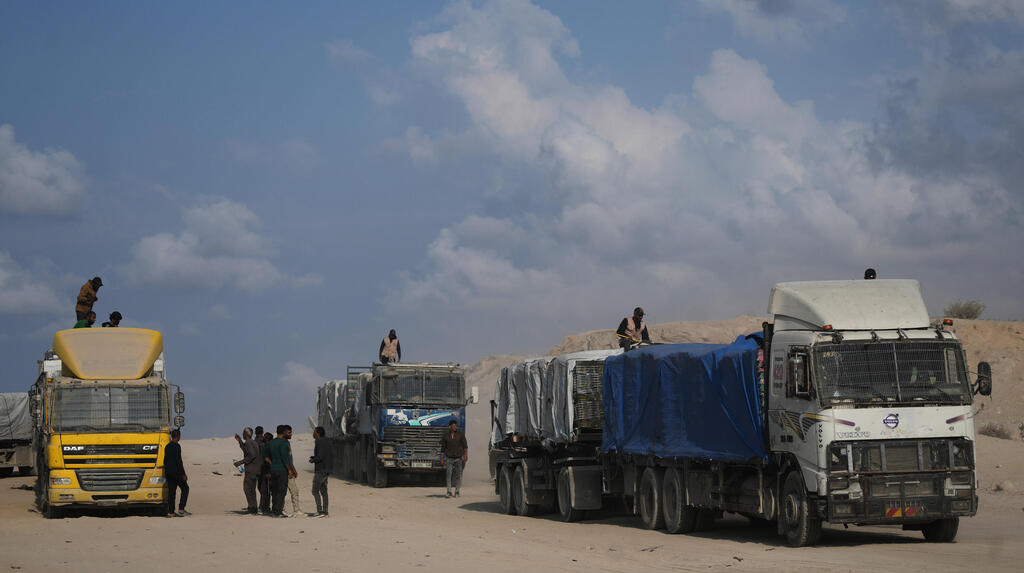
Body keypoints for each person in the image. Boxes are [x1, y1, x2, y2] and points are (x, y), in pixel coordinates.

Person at [266, 425, 296, 517]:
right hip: (282, 470)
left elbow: (265, 456)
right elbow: (285, 459)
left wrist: (272, 464)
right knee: (281, 491)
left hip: (273, 470)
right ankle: (278, 512)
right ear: (283, 432)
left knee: (274, 491)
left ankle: (274, 510)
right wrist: (290, 470)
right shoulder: (283, 443)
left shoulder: (271, 442)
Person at [234, 428, 261, 514]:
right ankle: (253, 507)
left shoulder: (249, 443)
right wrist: (240, 441)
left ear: (246, 433)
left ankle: (252, 508)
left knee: (248, 489)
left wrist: (240, 462)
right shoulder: (252, 442)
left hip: (251, 470)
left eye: (243, 433)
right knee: (251, 489)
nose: (242, 434)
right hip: (255, 469)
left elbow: (251, 455)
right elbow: (246, 451)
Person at [440, 418, 468, 498]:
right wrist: (442, 459)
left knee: (458, 475)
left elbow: (465, 446)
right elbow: (443, 448)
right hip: (449, 458)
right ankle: (449, 491)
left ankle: (457, 491)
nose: (455, 427)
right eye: (453, 426)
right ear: (450, 426)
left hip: (458, 458)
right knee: (448, 475)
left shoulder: (460, 435)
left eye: (456, 426)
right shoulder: (446, 436)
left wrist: (466, 455)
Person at [165, 429, 190, 517]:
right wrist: (183, 473)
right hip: (176, 472)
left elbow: (165, 460)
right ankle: (181, 509)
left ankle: (171, 512)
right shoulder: (177, 446)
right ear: (178, 436)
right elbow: (179, 461)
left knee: (172, 492)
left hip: (168, 472)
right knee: (185, 488)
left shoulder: (167, 446)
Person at [310, 426, 332, 517]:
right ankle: (325, 512)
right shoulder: (327, 441)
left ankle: (320, 511)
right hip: (326, 469)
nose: (313, 433)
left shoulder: (319, 441)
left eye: (314, 432)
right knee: (323, 491)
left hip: (321, 470)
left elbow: (320, 456)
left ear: (317, 433)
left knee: (315, 490)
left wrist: (313, 460)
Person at [258, 431, 272, 513]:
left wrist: (269, 472)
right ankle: (265, 507)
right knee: (265, 490)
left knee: (264, 490)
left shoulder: (268, 447)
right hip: (264, 470)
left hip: (266, 471)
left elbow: (268, 460)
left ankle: (263, 507)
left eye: (264, 436)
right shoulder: (265, 446)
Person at [287, 440, 302, 516]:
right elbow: (287, 459)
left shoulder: (287, 443)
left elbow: (290, 459)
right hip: (287, 471)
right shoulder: (284, 444)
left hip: (287, 470)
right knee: (294, 490)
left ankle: (296, 510)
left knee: (294, 491)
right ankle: (296, 510)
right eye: (289, 432)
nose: (291, 434)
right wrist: (291, 469)